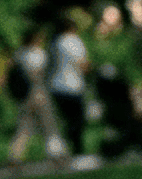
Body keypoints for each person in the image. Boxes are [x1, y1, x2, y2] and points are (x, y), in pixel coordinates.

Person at [6, 27, 62, 163]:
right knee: (49, 125)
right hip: (38, 92)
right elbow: (39, 74)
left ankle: (15, 154)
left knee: (24, 126)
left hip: (24, 96)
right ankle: (56, 152)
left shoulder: (19, 54)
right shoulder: (39, 54)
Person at [48, 13, 91, 165]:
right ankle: (77, 152)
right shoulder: (72, 41)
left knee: (67, 121)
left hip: (56, 86)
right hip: (72, 86)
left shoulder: (55, 42)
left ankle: (60, 150)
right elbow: (82, 64)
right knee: (78, 121)